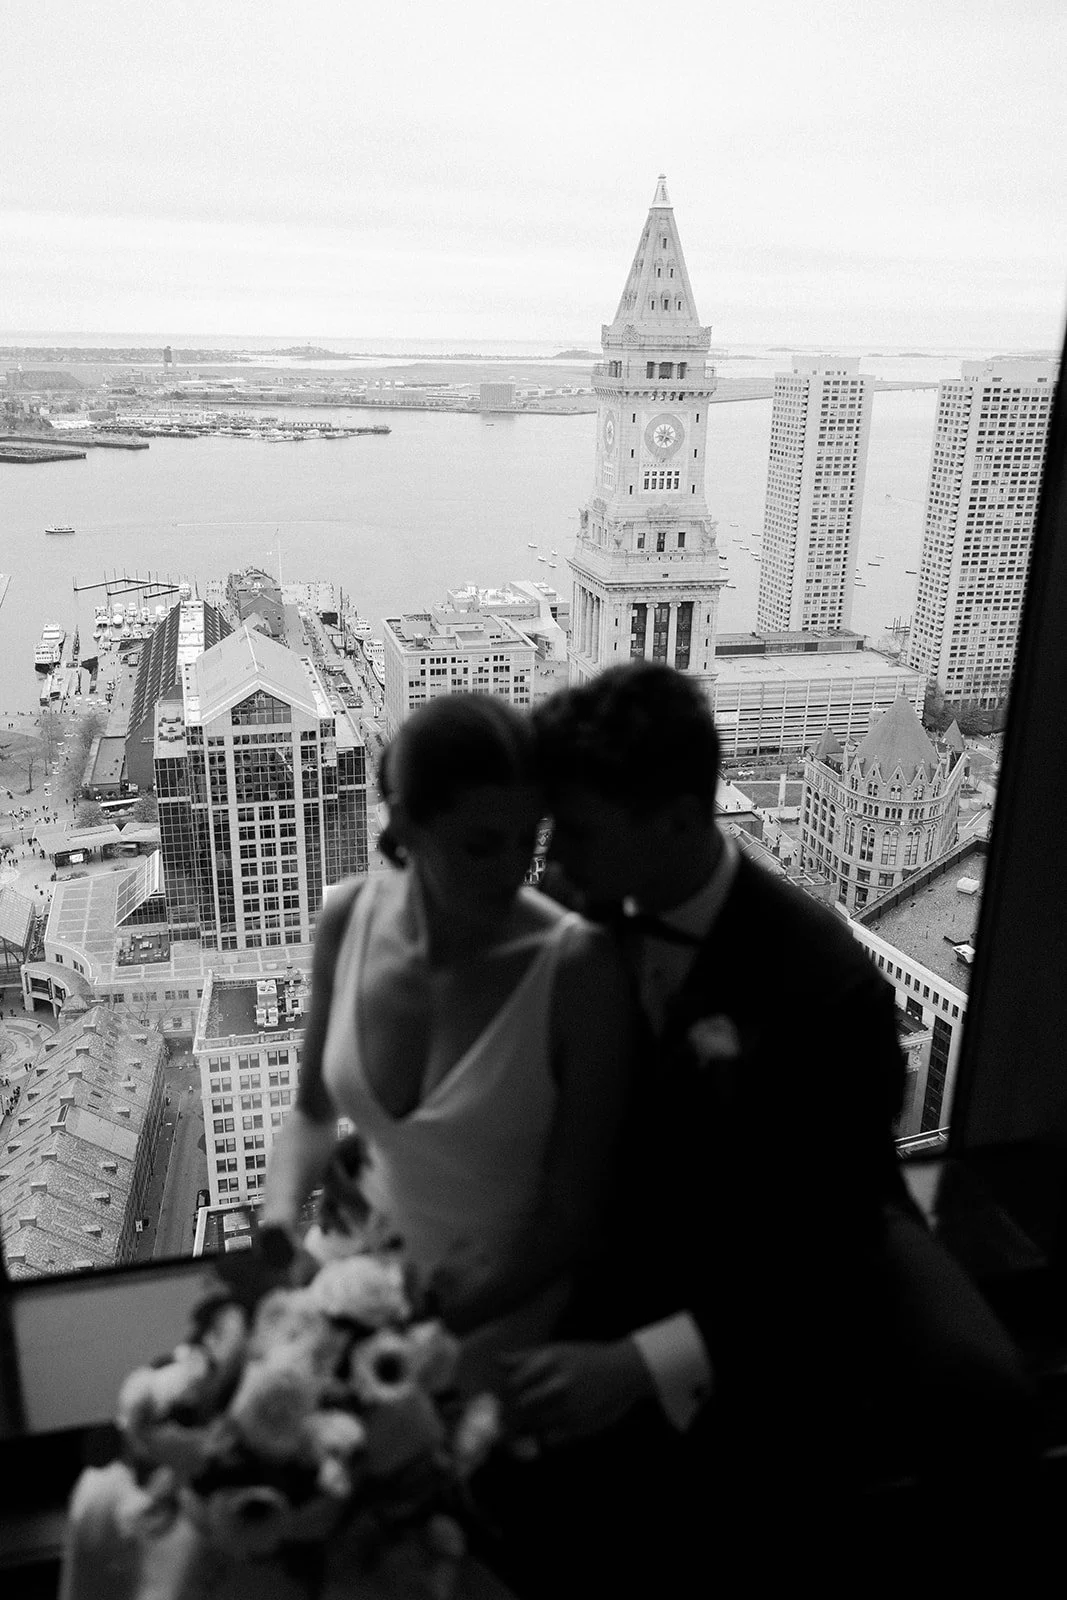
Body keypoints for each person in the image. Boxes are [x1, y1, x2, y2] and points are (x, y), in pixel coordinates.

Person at [477, 662, 1034, 1593]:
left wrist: (634, 1365)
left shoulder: (822, 984)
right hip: (607, 1246)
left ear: (676, 822)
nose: (556, 857)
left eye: (577, 830)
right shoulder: (581, 909)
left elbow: (829, 1247)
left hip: (764, 1310)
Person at [262, 693, 634, 1380]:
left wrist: (416, 1331)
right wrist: (280, 1219)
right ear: (405, 823)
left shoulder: (576, 970)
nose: (513, 868)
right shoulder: (347, 917)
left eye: (529, 838)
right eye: (481, 843)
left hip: (491, 1312)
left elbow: (568, 1222)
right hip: (354, 1267)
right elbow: (311, 1114)